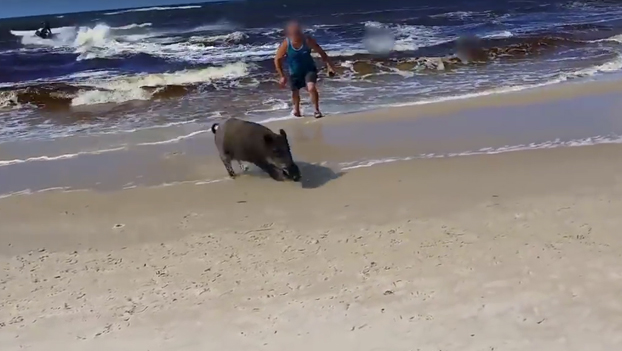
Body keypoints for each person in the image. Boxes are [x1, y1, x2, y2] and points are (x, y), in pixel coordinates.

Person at [274, 21, 336, 118]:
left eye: (298, 33)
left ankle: (316, 110)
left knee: (311, 87)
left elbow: (321, 52)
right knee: (295, 92)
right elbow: (277, 59)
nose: (297, 36)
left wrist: (330, 66)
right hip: (294, 72)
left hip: (309, 69)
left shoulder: (307, 40)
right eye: (294, 33)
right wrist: (281, 76)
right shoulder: (287, 43)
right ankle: (296, 111)